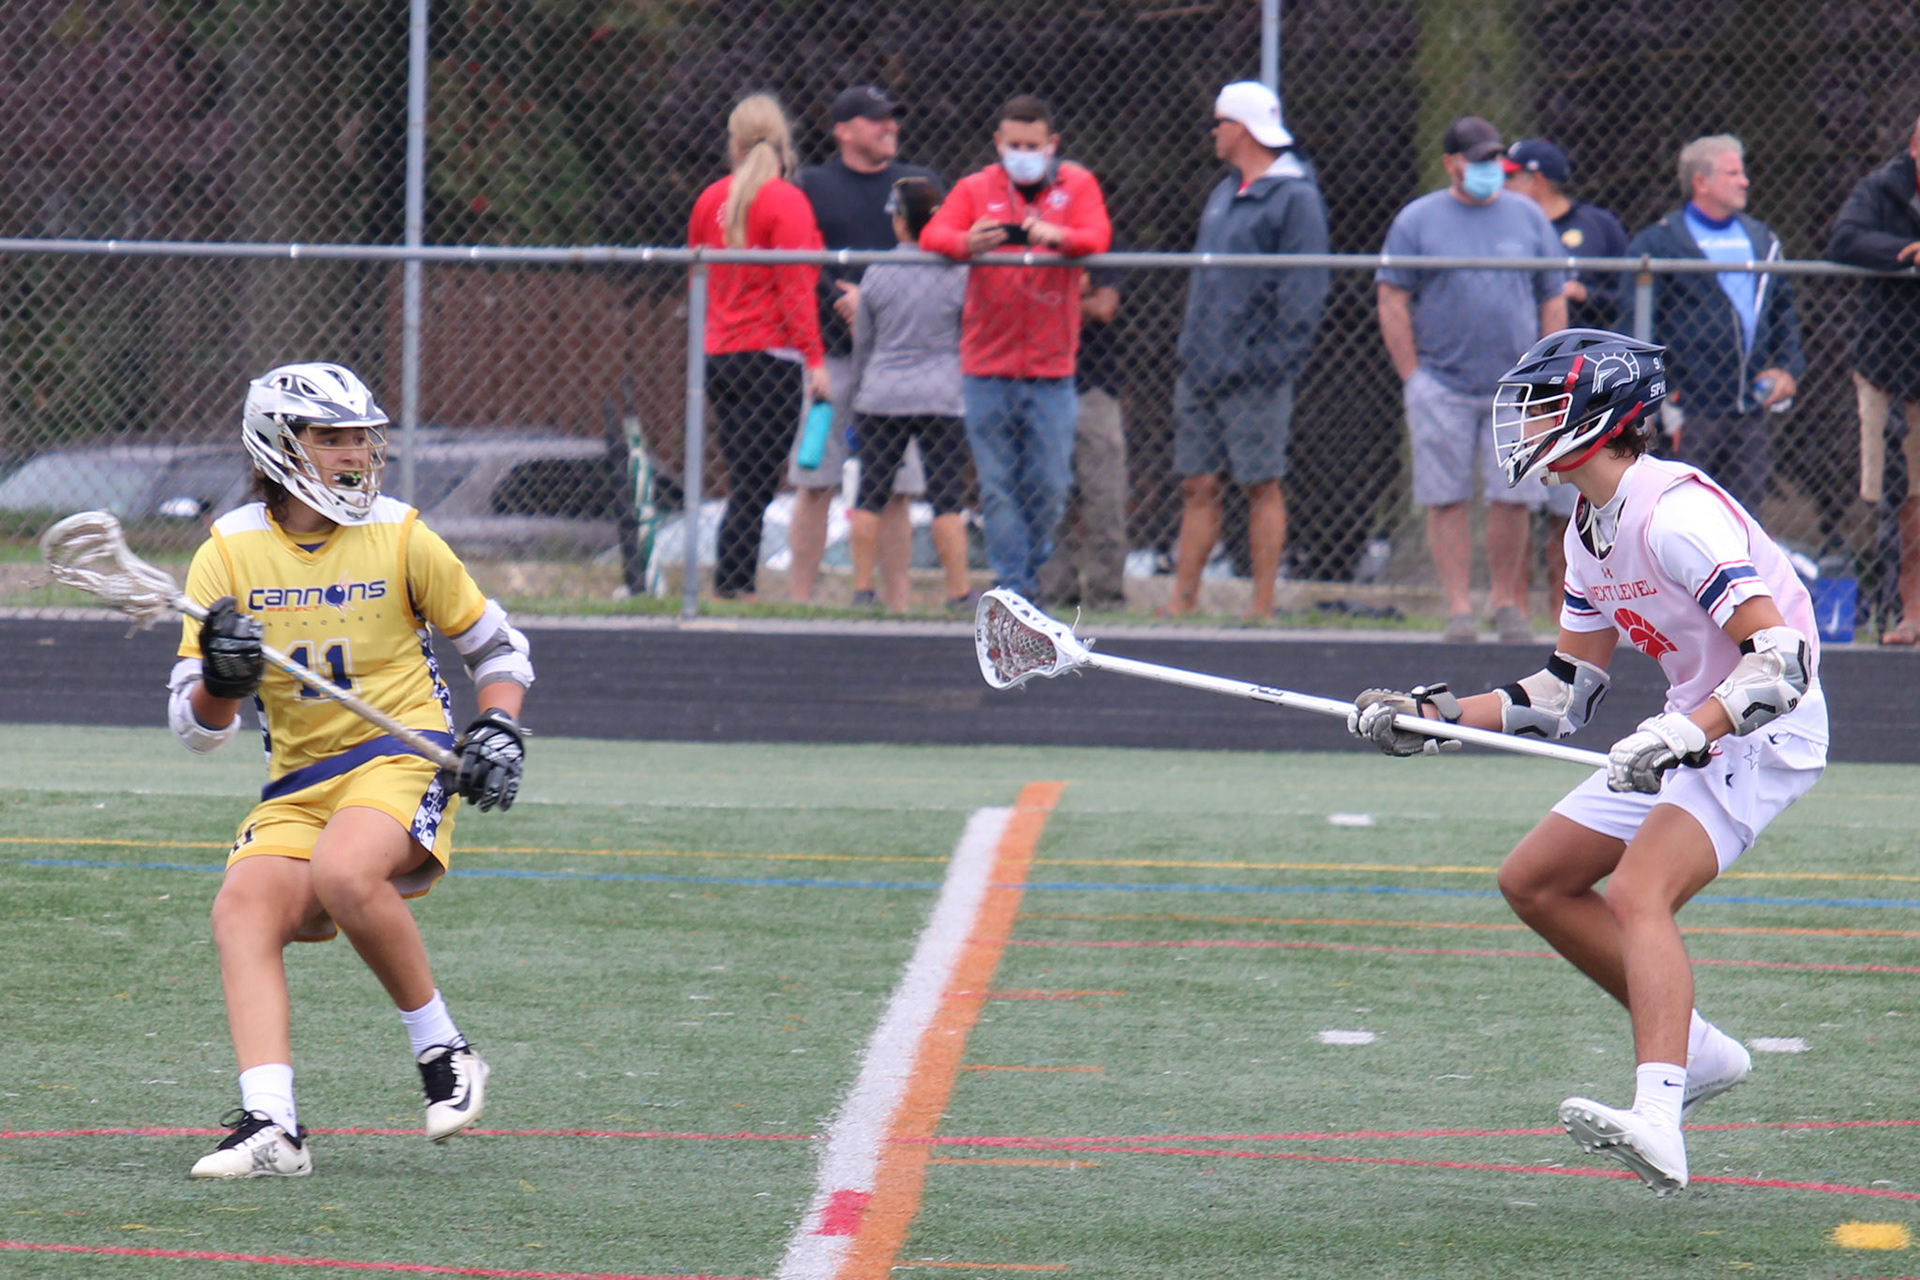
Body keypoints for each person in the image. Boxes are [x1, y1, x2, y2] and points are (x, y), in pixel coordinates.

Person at [1348, 329, 1826, 1195]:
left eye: (1541, 407)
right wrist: (1438, 718)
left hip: (1764, 733)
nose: (1523, 425)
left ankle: (1660, 1115)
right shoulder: (1584, 529)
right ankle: (1698, 1049)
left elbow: (1784, 664)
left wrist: (1685, 735)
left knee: (1639, 891)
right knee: (1536, 880)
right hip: (1691, 723)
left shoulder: (1674, 514)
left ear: (1599, 417)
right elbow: (1563, 692)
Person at [174, 363, 532, 1179]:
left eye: (362, 438)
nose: (356, 454)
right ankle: (272, 1125)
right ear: (279, 445)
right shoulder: (227, 552)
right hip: (300, 781)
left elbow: (499, 649)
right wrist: (222, 681)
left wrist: (500, 727)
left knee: (345, 867)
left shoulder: (402, 534)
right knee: (242, 908)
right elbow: (197, 731)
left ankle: (443, 1051)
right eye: (331, 437)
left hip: (401, 755)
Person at [1377, 116, 1568, 644]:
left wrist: (1545, 372)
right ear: (1451, 164)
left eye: (1494, 159)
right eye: (1478, 159)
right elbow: (1392, 296)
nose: (1489, 169)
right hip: (1441, 384)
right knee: (1446, 497)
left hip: (1517, 387)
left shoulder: (1528, 217)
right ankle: (1459, 608)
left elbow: (1552, 297)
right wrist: (1413, 375)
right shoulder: (1417, 220)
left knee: (1514, 497)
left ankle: (1506, 603)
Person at [921, 94, 1112, 602]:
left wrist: (1058, 237)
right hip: (986, 367)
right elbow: (935, 234)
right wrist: (967, 243)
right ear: (999, 143)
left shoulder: (1077, 185)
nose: (1024, 154)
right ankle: (1016, 588)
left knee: (1049, 484)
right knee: (998, 484)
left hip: (1051, 370)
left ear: (1051, 145)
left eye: (1033, 145)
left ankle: (1030, 566)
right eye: (1015, 145)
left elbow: (1097, 235)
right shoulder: (975, 187)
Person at [1166, 80, 1329, 620]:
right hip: (1202, 366)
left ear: (1242, 129)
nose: (1213, 132)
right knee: (1197, 484)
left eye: (1220, 122)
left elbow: (1304, 292)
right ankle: (1181, 603)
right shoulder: (1224, 192)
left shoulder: (1296, 197)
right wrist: (1193, 349)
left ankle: (1262, 607)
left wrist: (1270, 359)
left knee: (1261, 483)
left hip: (1257, 374)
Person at [787, 85, 941, 605]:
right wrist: (839, 300)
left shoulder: (918, 185)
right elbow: (799, 258)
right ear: (845, 130)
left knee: (897, 490)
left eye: (892, 118)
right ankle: (799, 601)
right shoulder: (812, 184)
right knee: (815, 481)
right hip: (831, 361)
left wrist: (872, 302)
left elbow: (938, 257)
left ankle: (898, 604)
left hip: (900, 363)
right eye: (877, 120)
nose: (890, 127)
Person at [687, 93, 829, 599]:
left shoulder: (709, 200)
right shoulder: (786, 201)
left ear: (735, 143)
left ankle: (732, 581)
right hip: (771, 356)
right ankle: (733, 584)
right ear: (783, 141)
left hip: (721, 354)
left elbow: (698, 278)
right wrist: (815, 358)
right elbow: (796, 290)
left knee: (743, 477)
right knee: (755, 483)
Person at [1621, 135, 1803, 518]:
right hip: (1688, 410)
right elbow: (1635, 327)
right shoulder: (1660, 241)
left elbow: (1784, 312)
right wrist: (1653, 397)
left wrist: (1787, 367)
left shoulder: (1763, 239)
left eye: (1743, 172)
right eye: (1732, 173)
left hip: (1750, 409)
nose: (1745, 181)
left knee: (1745, 517)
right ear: (1701, 182)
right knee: (1683, 515)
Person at [1502, 137, 1630, 605]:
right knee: (1517, 496)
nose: (1502, 185)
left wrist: (1584, 295)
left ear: (1535, 179)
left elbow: (1629, 294)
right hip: (1527, 385)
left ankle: (1569, 606)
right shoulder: (1506, 226)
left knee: (1572, 502)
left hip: (1586, 383)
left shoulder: (1597, 226)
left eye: (1512, 176)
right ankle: (1513, 604)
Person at [841, 177, 974, 611]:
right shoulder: (958, 272)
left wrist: (858, 393)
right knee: (947, 497)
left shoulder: (878, 272)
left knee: (870, 493)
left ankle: (863, 589)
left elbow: (864, 341)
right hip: (942, 394)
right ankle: (958, 592)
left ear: (900, 221)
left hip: (883, 393)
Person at [1826, 113, 1920, 645]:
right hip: (1892, 367)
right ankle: (1908, 612)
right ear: (1913, 148)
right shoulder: (1881, 188)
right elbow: (1844, 240)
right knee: (1903, 497)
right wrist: (1905, 254)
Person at [1038, 260, 1129, 612]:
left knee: (1105, 496)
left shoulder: (1101, 243)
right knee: (1047, 496)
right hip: (1042, 385)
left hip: (1094, 388)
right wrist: (1073, 294)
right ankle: (1054, 594)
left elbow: (1104, 307)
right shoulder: (1032, 243)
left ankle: (1106, 596)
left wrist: (1046, 300)